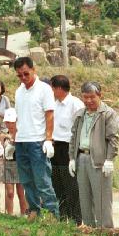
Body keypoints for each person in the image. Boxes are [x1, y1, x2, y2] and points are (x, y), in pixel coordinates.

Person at [12, 57, 59, 219]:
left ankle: (52, 213)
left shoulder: (44, 89)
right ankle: (34, 210)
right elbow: (19, 116)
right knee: (26, 180)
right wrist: (14, 138)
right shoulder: (19, 91)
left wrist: (48, 139)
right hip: (21, 141)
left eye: (26, 74)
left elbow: (49, 115)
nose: (23, 78)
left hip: (37, 141)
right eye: (19, 75)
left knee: (42, 180)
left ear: (33, 70)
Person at [68, 81, 119, 228]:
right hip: (81, 158)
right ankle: (89, 229)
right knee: (84, 197)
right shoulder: (80, 114)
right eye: (85, 97)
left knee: (102, 197)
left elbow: (113, 139)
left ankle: (106, 229)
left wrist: (109, 159)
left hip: (99, 160)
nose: (88, 101)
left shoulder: (107, 114)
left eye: (92, 97)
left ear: (99, 95)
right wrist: (72, 158)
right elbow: (73, 138)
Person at [50, 75, 84, 223]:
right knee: (57, 183)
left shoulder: (75, 104)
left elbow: (80, 128)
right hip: (54, 146)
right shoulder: (54, 104)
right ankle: (63, 217)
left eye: (52, 88)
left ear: (58, 88)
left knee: (71, 185)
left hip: (68, 148)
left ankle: (76, 219)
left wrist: (74, 155)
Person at [0, 108, 28, 216]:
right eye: (8, 122)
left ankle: (24, 214)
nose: (10, 124)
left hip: (20, 164)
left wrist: (14, 141)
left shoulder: (21, 133)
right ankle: (9, 215)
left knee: (21, 192)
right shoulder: (3, 135)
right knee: (10, 193)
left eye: (12, 122)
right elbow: (1, 146)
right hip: (8, 164)